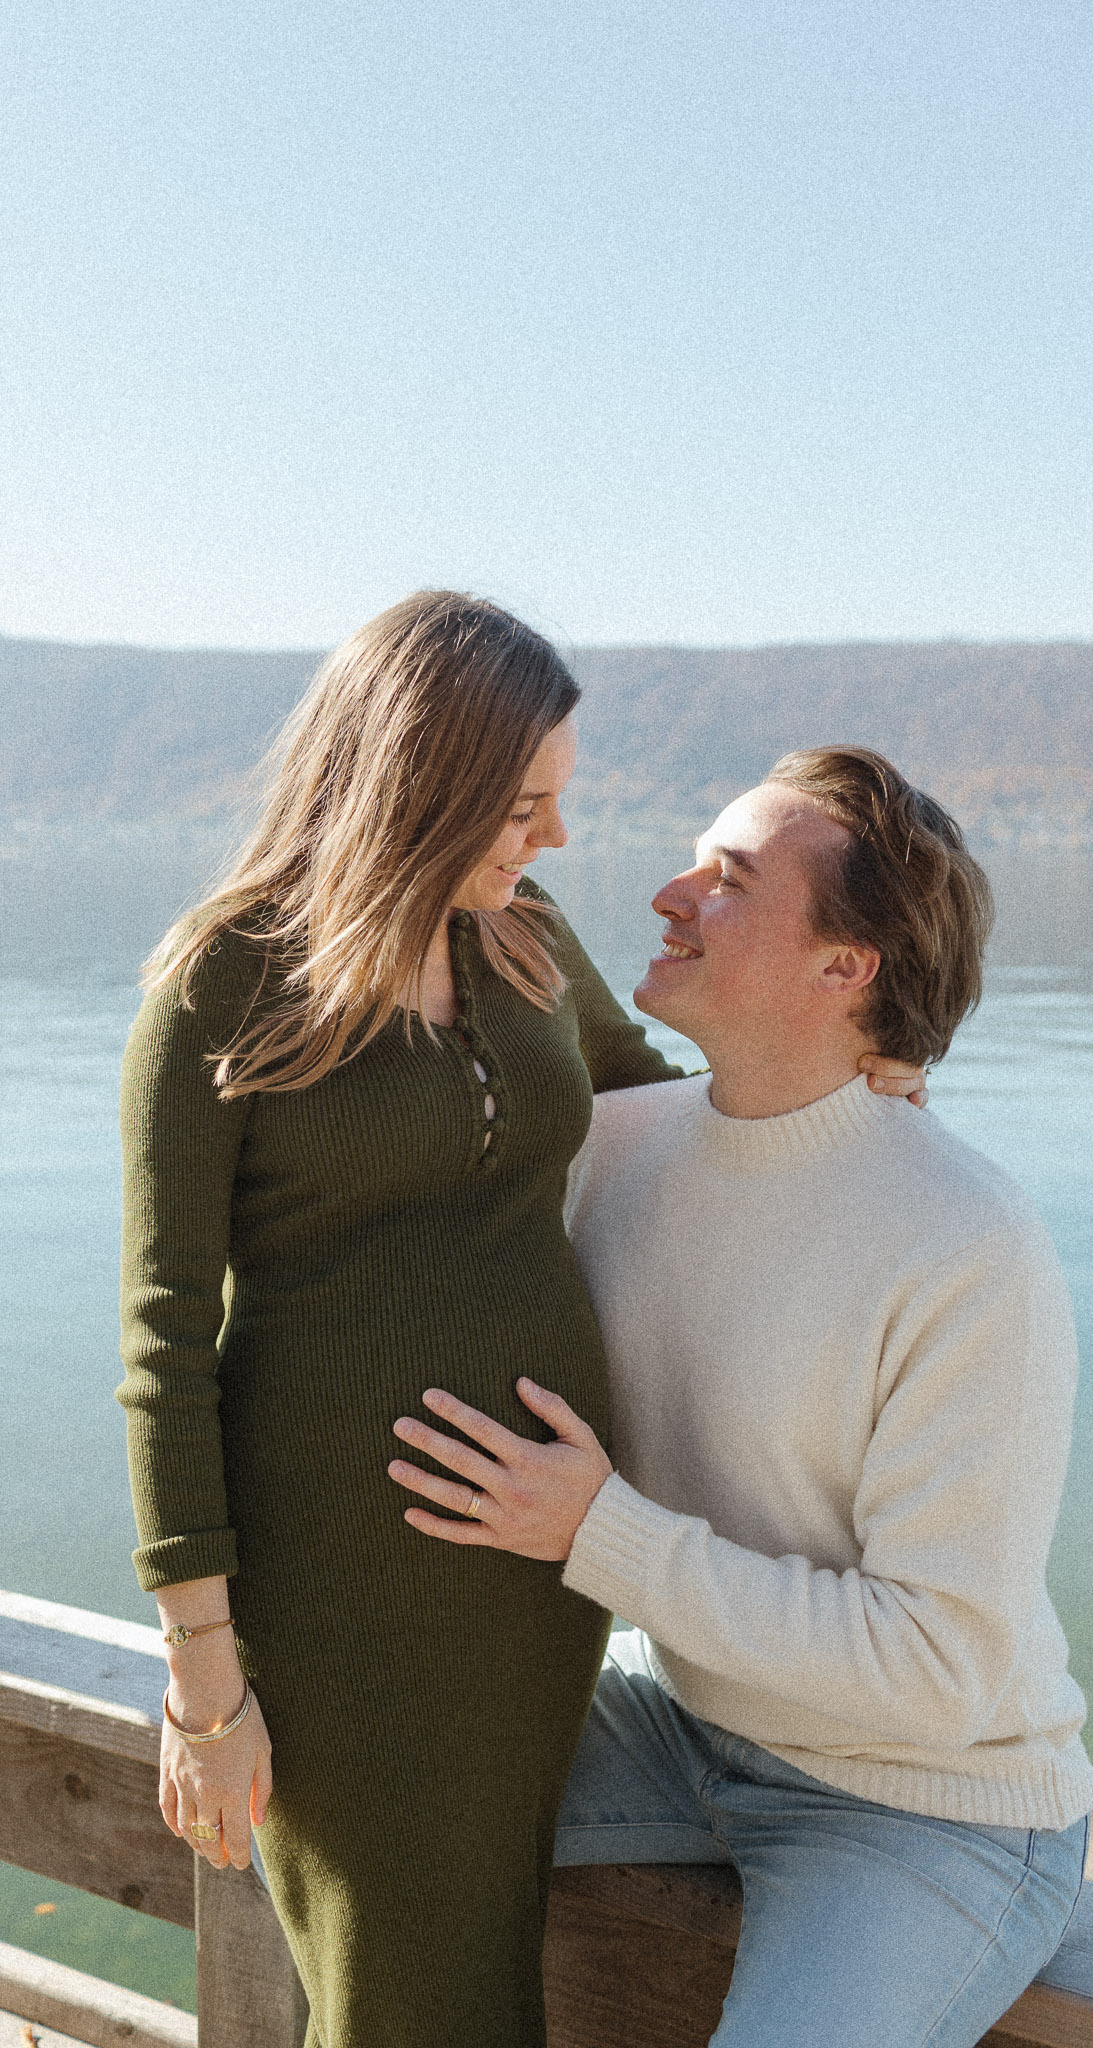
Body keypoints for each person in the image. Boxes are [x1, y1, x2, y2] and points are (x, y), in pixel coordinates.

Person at [117, 601, 920, 2046]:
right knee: (395, 1988)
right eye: (524, 802)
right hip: (335, 1589)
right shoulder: (222, 980)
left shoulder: (521, 939)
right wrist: (204, 1682)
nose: (550, 837)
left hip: (530, 1578)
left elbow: (658, 1096)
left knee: (478, 1967)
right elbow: (164, 1343)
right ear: (418, 777)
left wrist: (852, 1084)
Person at [390, 746, 1092, 2048]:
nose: (667, 892)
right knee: (329, 1802)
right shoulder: (618, 1149)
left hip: (922, 1801)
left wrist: (595, 1532)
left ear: (846, 968)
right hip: (677, 1720)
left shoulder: (964, 1245)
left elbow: (942, 1670)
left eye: (726, 879)